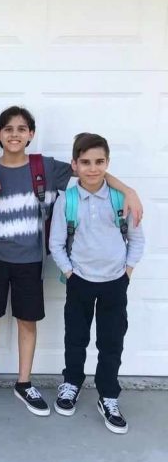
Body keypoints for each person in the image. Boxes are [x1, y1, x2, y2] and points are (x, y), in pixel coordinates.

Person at [0, 106, 143, 416]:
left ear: (31, 134)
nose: (15, 134)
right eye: (8, 129)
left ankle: (24, 382)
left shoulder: (46, 168)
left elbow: (91, 171)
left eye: (21, 129)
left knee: (27, 321)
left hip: (31, 261)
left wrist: (128, 190)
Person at [49, 132, 144, 434]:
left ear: (108, 162)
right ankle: (71, 383)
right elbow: (56, 243)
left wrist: (127, 272)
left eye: (99, 161)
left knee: (111, 341)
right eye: (86, 162)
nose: (93, 168)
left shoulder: (121, 199)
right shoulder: (68, 200)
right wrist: (70, 273)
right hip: (80, 281)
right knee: (76, 338)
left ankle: (108, 395)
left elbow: (137, 239)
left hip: (115, 282)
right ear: (74, 164)